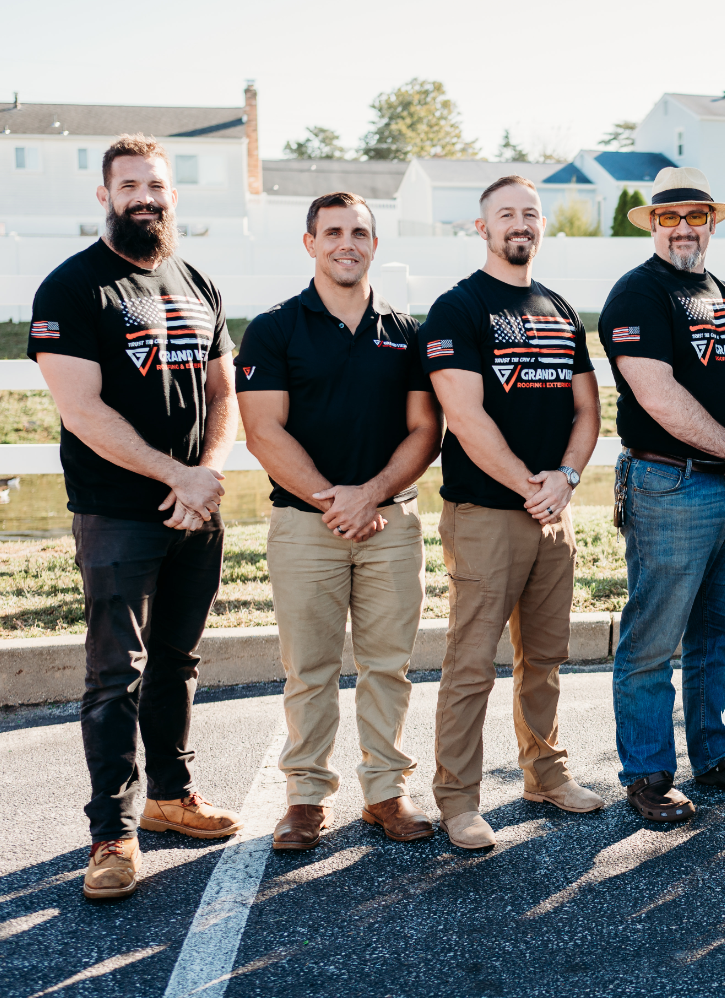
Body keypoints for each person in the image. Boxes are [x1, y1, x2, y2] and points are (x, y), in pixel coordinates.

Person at [29, 134, 242, 900]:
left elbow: (223, 393)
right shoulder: (73, 288)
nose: (145, 197)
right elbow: (80, 410)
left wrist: (207, 475)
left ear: (172, 196)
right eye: (129, 185)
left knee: (178, 664)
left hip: (195, 510)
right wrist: (176, 475)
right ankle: (112, 834)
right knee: (114, 675)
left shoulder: (195, 281)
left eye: (156, 185)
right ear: (106, 197)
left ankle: (169, 798)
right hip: (119, 513)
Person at [237, 192, 442, 851]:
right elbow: (262, 431)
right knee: (311, 668)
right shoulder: (274, 329)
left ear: (375, 245)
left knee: (388, 665)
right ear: (310, 243)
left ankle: (386, 792)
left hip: (392, 524)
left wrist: (372, 494)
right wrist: (335, 498)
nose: (346, 242)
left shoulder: (406, 333)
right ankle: (304, 799)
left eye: (359, 232)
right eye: (332, 232)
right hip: (305, 525)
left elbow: (424, 429)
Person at [420, 175, 605, 850]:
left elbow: (588, 409)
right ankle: (458, 800)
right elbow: (463, 416)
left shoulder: (558, 307)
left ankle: (546, 775)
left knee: (546, 658)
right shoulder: (457, 308)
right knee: (471, 662)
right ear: (483, 228)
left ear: (542, 225)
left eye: (530, 213)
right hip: (487, 513)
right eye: (506, 214)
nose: (519, 223)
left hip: (553, 513)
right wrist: (534, 485)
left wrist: (568, 477)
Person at [600, 166, 725, 823]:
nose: (684, 228)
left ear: (712, 222)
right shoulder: (637, 296)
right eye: (670, 217)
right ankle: (647, 773)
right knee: (653, 638)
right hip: (670, 485)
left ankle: (716, 755)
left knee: (721, 634)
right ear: (653, 223)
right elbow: (656, 392)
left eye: (696, 216)